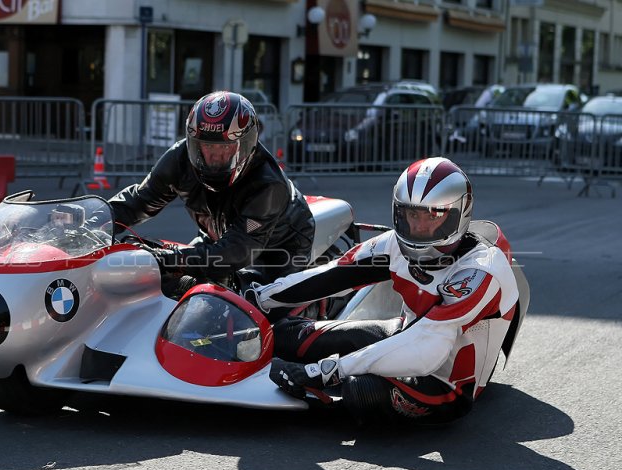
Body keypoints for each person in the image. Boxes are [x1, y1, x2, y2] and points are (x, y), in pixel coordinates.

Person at [249, 157, 523, 426]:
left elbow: (427, 348)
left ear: (458, 215)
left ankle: (315, 396)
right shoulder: (395, 244)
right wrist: (260, 298)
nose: (419, 227)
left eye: (434, 216)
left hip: (446, 383)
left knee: (360, 390)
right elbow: (332, 274)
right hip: (403, 333)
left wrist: (323, 371)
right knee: (285, 333)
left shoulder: (480, 271)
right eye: (412, 215)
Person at [109, 91, 314, 286]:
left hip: (279, 248)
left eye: (224, 147)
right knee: (175, 288)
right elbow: (138, 200)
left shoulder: (268, 185)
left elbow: (236, 252)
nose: (215, 156)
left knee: (267, 307)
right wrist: (93, 221)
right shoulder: (180, 159)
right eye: (207, 146)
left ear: (244, 145)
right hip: (220, 237)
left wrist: (168, 258)